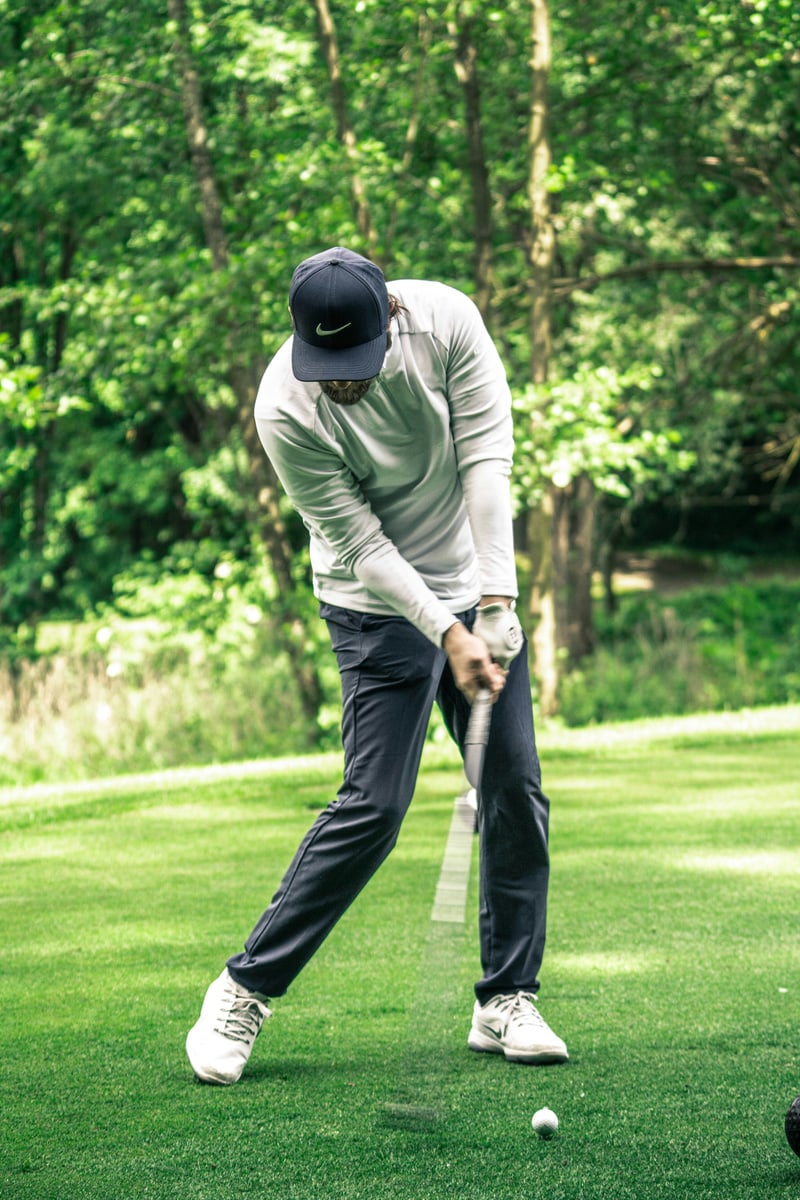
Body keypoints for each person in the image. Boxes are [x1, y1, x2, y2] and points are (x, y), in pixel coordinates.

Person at [185, 246, 568, 1085]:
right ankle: (244, 988)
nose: (343, 383)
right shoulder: (284, 407)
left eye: (355, 363)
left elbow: (487, 461)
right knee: (376, 804)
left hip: (475, 585)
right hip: (371, 603)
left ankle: (506, 998)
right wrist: (445, 630)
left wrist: (493, 606)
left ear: (390, 316)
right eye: (329, 367)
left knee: (513, 785)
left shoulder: (448, 322)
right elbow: (359, 542)